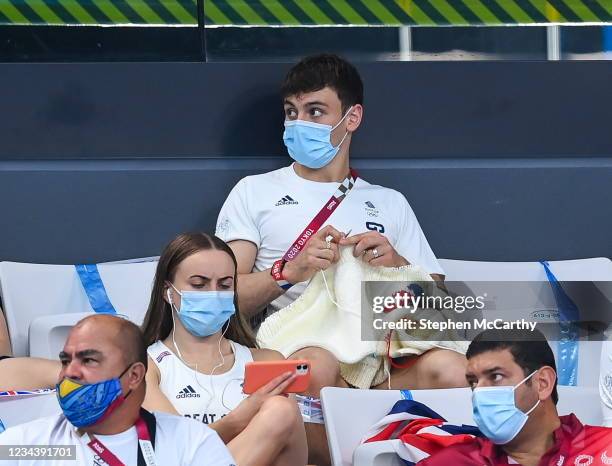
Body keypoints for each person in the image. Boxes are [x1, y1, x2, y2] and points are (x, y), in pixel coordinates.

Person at [216, 53, 466, 464]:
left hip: (381, 358)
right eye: (291, 112)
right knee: (317, 362)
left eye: (315, 111)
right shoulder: (253, 192)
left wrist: (396, 263)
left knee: (454, 368)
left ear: (352, 118)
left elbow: (441, 307)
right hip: (294, 349)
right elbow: (223, 295)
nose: (299, 124)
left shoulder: (389, 202)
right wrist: (291, 270)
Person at [141, 232, 307, 466]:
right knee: (280, 410)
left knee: (282, 409)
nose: (213, 294)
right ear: (168, 291)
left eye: (225, 285)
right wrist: (240, 418)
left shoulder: (266, 362)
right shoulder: (145, 366)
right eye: (199, 284)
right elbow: (175, 451)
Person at [0, 313, 236, 466]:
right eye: (65, 361)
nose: (70, 372)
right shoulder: (25, 446)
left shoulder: (191, 442)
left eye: (89, 360)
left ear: (134, 376)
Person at [418, 328, 612, 466]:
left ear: (542, 383)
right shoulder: (450, 462)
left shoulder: (605, 449)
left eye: (495, 377)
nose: (479, 392)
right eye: (473, 382)